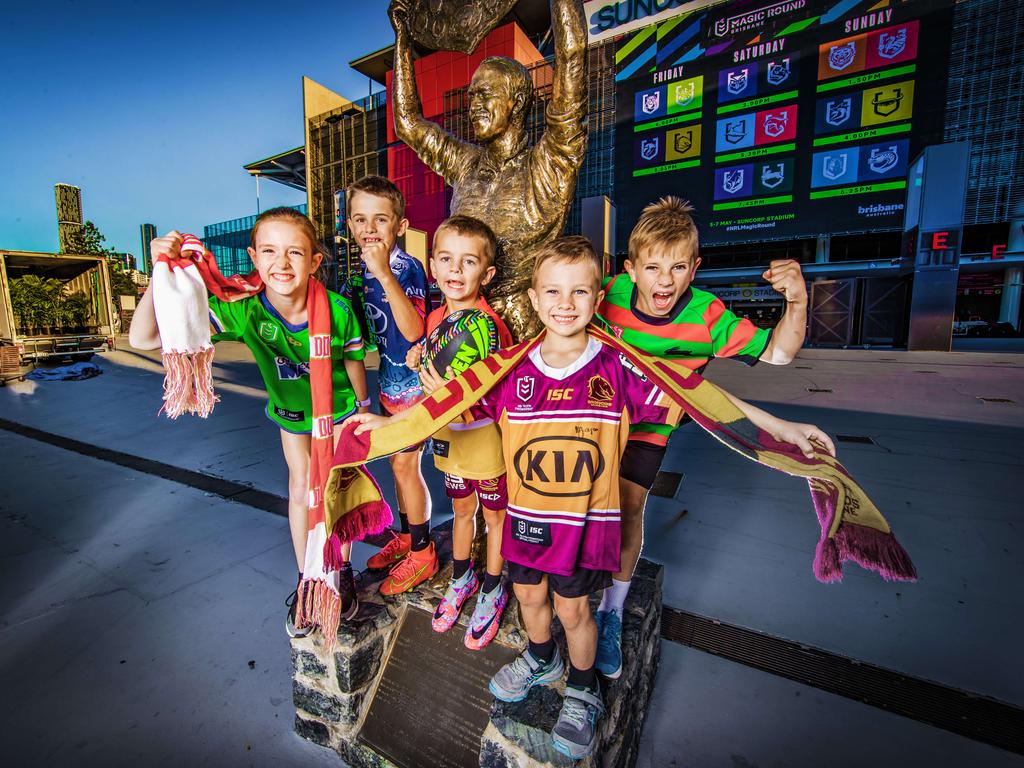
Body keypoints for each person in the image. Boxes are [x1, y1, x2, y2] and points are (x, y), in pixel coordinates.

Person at [347, 236, 832, 759]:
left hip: (583, 525)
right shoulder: (512, 367)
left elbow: (704, 398)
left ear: (598, 299)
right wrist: (389, 424)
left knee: (574, 612)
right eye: (553, 292)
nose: (565, 303)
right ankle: (540, 658)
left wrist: (781, 426)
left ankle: (582, 688)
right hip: (526, 520)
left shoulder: (620, 367)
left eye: (579, 292)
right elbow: (447, 405)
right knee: (529, 599)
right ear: (534, 300)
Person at [592, 195, 809, 678]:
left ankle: (611, 611)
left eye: (677, 267)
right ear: (630, 269)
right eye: (652, 267)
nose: (663, 280)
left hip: (648, 430)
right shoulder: (607, 293)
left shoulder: (708, 316)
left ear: (695, 269)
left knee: (628, 512)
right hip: (595, 422)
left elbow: (778, 353)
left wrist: (796, 300)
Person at [128, 207, 369, 635]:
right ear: (254, 258)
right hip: (294, 415)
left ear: (315, 261)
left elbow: (352, 362)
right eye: (270, 251)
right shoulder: (246, 311)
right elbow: (143, 338)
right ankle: (309, 578)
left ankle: (342, 569)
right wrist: (157, 274)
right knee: (300, 489)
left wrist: (365, 409)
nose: (282, 262)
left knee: (339, 493)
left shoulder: (336, 309)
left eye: (296, 252)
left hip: (340, 413)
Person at [389, 0, 588, 340]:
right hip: (462, 324)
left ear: (518, 102)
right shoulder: (465, 164)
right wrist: (403, 41)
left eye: (485, 95)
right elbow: (407, 124)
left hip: (524, 330)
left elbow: (572, 63)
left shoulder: (549, 164)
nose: (473, 106)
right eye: (470, 97)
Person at [405, 215, 515, 649]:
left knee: (495, 515)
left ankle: (492, 586)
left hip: (484, 438)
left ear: (485, 274)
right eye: (447, 259)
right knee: (461, 511)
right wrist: (419, 357)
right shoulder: (435, 320)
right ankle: (463, 576)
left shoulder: (491, 326)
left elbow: (499, 390)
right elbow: (434, 366)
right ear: (433, 265)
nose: (455, 270)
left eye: (467, 262)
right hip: (448, 439)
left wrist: (460, 395)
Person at [343, 175, 435, 595]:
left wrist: (384, 275)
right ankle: (405, 536)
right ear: (349, 224)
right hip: (388, 388)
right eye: (360, 219)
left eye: (380, 219)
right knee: (398, 468)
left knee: (405, 467)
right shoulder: (358, 275)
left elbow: (414, 329)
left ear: (399, 226)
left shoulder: (405, 267)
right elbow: (353, 339)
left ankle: (422, 550)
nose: (369, 228)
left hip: (416, 387)